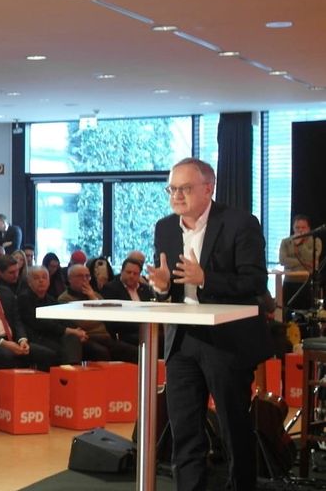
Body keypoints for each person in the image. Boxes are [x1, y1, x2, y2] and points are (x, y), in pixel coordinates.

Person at [146, 157, 272, 491]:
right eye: (171, 189)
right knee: (184, 429)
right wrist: (161, 287)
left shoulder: (240, 223)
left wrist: (205, 279)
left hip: (227, 340)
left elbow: (255, 282)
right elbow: (171, 287)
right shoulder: (164, 227)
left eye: (184, 189)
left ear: (208, 188)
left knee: (233, 427)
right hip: (182, 340)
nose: (176, 196)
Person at [0, 258, 58, 370]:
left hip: (12, 339)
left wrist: (22, 339)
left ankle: (40, 386)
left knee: (48, 354)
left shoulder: (6, 292)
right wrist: (3, 343)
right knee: (6, 355)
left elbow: (17, 320)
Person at [57, 265, 136, 361]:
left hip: (104, 336)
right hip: (86, 337)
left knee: (133, 351)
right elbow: (82, 322)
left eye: (87, 276)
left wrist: (93, 298)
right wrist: (97, 315)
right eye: (80, 276)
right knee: (102, 353)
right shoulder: (65, 299)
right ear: (70, 279)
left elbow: (107, 315)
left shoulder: (95, 295)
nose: (85, 279)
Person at [16, 266, 82, 365]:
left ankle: (73, 374)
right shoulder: (23, 299)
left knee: (74, 338)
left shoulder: (50, 299)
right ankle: (67, 375)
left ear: (49, 281)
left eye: (44, 277)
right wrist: (67, 330)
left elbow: (63, 318)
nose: (41, 280)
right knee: (61, 350)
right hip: (36, 337)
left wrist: (77, 330)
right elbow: (39, 323)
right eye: (36, 278)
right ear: (29, 282)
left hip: (52, 335)